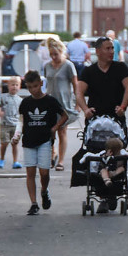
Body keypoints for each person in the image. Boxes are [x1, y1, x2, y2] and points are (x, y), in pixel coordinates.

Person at [76, 36, 128, 212]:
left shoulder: (120, 68)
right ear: (98, 51)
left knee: (116, 156)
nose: (111, 52)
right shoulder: (89, 71)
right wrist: (85, 109)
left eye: (112, 48)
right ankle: (103, 194)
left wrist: (123, 106)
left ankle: (113, 192)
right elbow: (79, 92)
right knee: (97, 157)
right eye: (107, 48)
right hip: (95, 120)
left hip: (115, 120)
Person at [12, 70, 68, 215]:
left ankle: (44, 191)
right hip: (29, 140)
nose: (33, 90)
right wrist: (17, 135)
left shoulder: (50, 101)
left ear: (41, 84)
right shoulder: (25, 102)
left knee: (44, 172)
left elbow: (64, 116)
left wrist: (55, 128)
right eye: (30, 87)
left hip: (45, 140)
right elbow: (21, 120)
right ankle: (33, 203)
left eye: (35, 86)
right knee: (30, 172)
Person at [43, 38, 79, 170]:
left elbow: (75, 85)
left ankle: (61, 161)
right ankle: (53, 154)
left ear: (61, 52)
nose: (53, 57)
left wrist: (77, 104)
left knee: (62, 131)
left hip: (64, 103)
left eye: (55, 54)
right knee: (49, 131)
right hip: (50, 102)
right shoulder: (47, 66)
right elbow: (46, 84)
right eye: (51, 54)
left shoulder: (68, 65)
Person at [0, 75, 23, 169]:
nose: (14, 87)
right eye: (12, 85)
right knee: (4, 143)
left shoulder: (20, 100)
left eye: (16, 85)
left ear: (19, 86)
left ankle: (15, 161)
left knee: (15, 144)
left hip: (16, 126)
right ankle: (2, 158)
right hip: (5, 124)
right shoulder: (3, 97)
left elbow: (22, 112)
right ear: (8, 86)